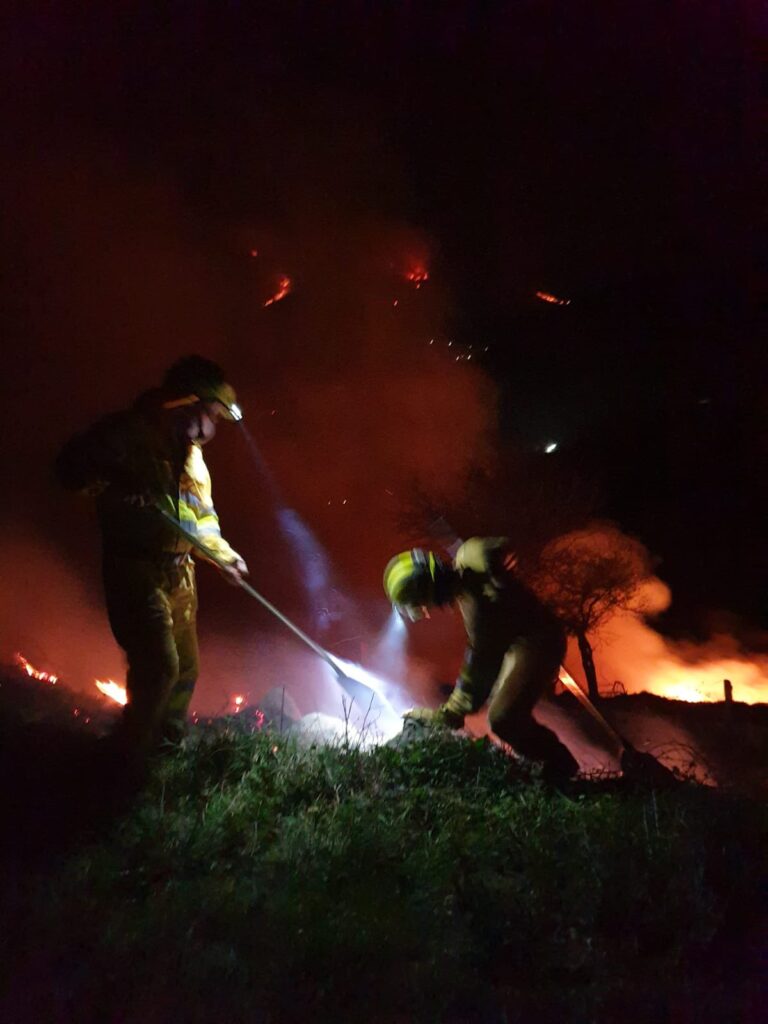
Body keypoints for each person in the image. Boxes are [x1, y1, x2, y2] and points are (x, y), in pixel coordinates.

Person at [56, 356, 248, 757]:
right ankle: (129, 759)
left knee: (186, 670)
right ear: (189, 402)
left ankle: (165, 748)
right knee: (159, 666)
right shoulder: (129, 434)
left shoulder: (193, 457)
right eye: (212, 413)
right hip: (137, 569)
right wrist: (118, 484)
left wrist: (225, 557)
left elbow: (201, 521)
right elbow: (70, 471)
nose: (213, 426)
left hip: (181, 575)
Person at [383, 537, 581, 782]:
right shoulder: (469, 589)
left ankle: (559, 766)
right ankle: (546, 764)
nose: (428, 610)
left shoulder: (477, 604)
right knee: (504, 713)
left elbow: (478, 669)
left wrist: (450, 713)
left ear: (427, 591)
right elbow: (478, 668)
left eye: (423, 604)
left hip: (538, 642)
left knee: (503, 717)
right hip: (517, 644)